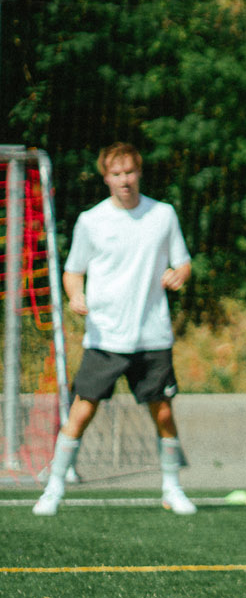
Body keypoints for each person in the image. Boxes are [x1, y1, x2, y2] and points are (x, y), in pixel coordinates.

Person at [33, 142, 196, 516]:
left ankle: (171, 487)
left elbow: (183, 263)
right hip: (105, 337)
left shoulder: (163, 215)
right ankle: (54, 487)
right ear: (106, 177)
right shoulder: (92, 220)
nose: (125, 180)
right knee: (82, 410)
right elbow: (73, 271)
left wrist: (178, 275)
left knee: (164, 413)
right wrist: (76, 296)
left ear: (139, 173)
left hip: (152, 336)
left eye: (130, 172)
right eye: (117, 174)